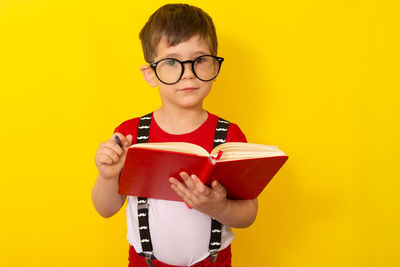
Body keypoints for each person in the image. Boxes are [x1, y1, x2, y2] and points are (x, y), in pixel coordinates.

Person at [92, 4, 258, 267]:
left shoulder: (230, 135)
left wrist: (219, 208)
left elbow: (248, 214)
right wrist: (108, 176)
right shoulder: (130, 134)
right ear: (151, 74)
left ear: (215, 65)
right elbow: (105, 209)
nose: (189, 72)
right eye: (172, 61)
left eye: (200, 59)